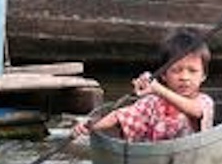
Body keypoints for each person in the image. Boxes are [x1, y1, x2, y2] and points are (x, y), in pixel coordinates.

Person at [74, 28, 214, 142]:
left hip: (193, 163)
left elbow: (196, 111)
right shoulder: (152, 103)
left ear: (203, 76)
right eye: (176, 70)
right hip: (156, 162)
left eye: (193, 71)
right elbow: (120, 116)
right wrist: (91, 126)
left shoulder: (204, 102)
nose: (184, 77)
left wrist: (158, 89)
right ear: (164, 75)